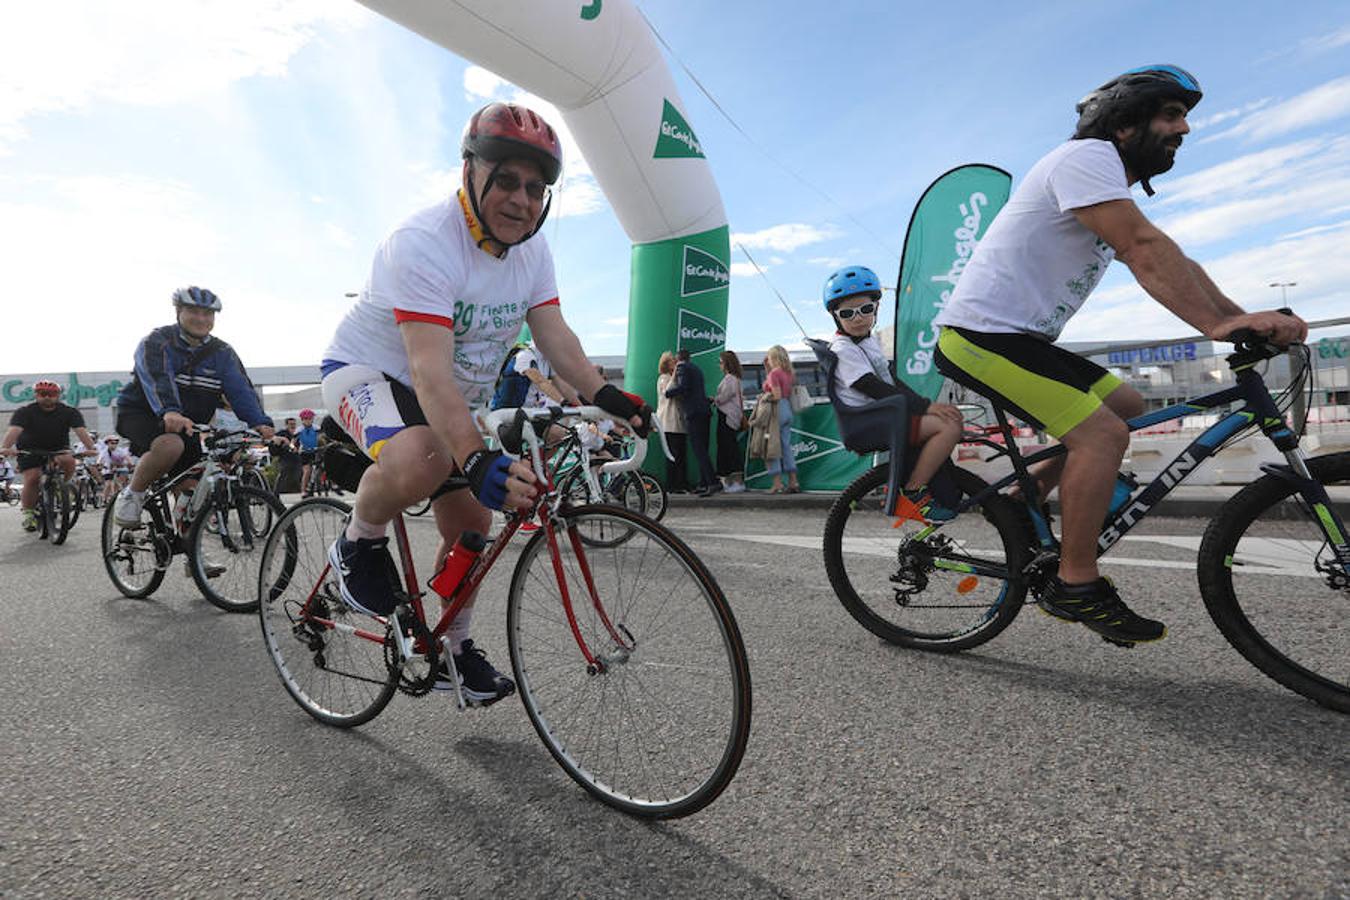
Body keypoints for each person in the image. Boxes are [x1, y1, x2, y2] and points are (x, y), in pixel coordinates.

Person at [933, 65, 1307, 644]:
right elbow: (1143, 247)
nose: (1184, 129)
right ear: (1125, 123)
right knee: (1102, 436)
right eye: (1171, 115)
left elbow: (1176, 258)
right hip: (978, 338)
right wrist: (1220, 323)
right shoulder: (1085, 158)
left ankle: (1023, 498)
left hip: (1021, 340)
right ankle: (1075, 583)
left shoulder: (1107, 183)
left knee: (1129, 404)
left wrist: (1242, 317)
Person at [319, 101, 650, 706]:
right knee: (425, 459)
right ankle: (356, 544)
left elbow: (556, 339)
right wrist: (475, 459)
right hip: (370, 373)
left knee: (472, 524)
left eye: (535, 187)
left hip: (446, 394)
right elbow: (427, 371)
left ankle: (454, 647)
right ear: (470, 172)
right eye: (505, 180)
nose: (521, 199)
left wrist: (607, 396)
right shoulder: (423, 243)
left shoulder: (532, 251)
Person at [113, 286, 276, 527]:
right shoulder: (157, 341)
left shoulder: (222, 352)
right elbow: (159, 377)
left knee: (191, 492)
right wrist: (169, 410)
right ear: (179, 311)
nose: (201, 319)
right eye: (194, 311)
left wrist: (260, 422)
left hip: (186, 425)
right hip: (143, 413)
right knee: (170, 445)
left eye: (208, 314)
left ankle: (193, 557)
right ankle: (132, 496)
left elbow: (240, 389)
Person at [824, 266, 964, 518]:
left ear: (876, 308)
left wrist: (925, 405)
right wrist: (925, 407)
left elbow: (892, 381)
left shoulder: (867, 341)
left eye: (865, 309)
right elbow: (871, 386)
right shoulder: (842, 348)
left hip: (882, 415)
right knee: (949, 427)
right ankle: (913, 492)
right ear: (836, 316)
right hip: (868, 421)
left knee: (949, 420)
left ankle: (944, 491)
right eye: (847, 313)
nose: (858, 318)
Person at [0, 380, 97, 532]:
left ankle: (62, 488)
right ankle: (29, 514)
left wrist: (91, 448)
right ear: (36, 395)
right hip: (30, 449)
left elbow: (80, 431)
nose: (47, 397)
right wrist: (6, 447)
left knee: (68, 460)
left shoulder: (69, 412)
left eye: (51, 394)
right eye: (42, 394)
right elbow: (14, 431)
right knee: (33, 477)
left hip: (58, 448)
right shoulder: (25, 411)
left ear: (58, 395)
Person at [664, 349, 720, 495]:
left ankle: (712, 482)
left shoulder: (682, 368)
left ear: (678, 359)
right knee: (703, 448)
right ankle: (704, 483)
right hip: (704, 412)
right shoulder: (696, 369)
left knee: (699, 449)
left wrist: (667, 393)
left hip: (693, 413)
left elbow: (684, 387)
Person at [761, 345, 800, 493]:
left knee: (771, 446)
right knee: (785, 446)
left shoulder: (774, 374)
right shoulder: (789, 373)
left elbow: (775, 395)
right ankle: (793, 482)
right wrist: (768, 370)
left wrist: (764, 396)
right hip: (787, 410)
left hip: (776, 411)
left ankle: (777, 484)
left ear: (774, 358)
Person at [654, 351, 689, 493]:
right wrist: (674, 375)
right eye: (672, 362)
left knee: (681, 454)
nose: (675, 365)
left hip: (678, 422)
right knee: (673, 455)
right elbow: (668, 392)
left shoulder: (674, 379)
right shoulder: (664, 378)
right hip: (668, 423)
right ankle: (672, 485)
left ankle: (681, 483)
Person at [714, 351, 746, 493]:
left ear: (726, 363)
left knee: (728, 449)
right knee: (729, 448)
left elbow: (723, 398)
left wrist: (714, 399)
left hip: (727, 417)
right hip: (732, 417)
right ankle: (734, 481)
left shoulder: (729, 379)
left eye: (720, 362)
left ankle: (735, 482)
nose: (719, 365)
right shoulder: (736, 379)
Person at [97, 434, 134, 505]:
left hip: (121, 468)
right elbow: (99, 460)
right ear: (107, 443)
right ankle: (104, 499)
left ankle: (117, 498)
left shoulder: (120, 451)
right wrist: (99, 465)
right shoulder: (104, 451)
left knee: (119, 484)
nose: (114, 445)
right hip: (108, 470)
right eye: (112, 443)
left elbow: (127, 458)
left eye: (116, 443)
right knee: (108, 484)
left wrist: (130, 464)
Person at [295, 410, 321, 496]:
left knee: (320, 469)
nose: (308, 421)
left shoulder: (317, 428)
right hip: (304, 452)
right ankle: (303, 490)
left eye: (310, 419)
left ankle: (321, 486)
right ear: (302, 420)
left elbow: (322, 438)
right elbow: (293, 442)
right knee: (307, 471)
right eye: (305, 419)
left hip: (316, 451)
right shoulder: (299, 430)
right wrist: (294, 448)